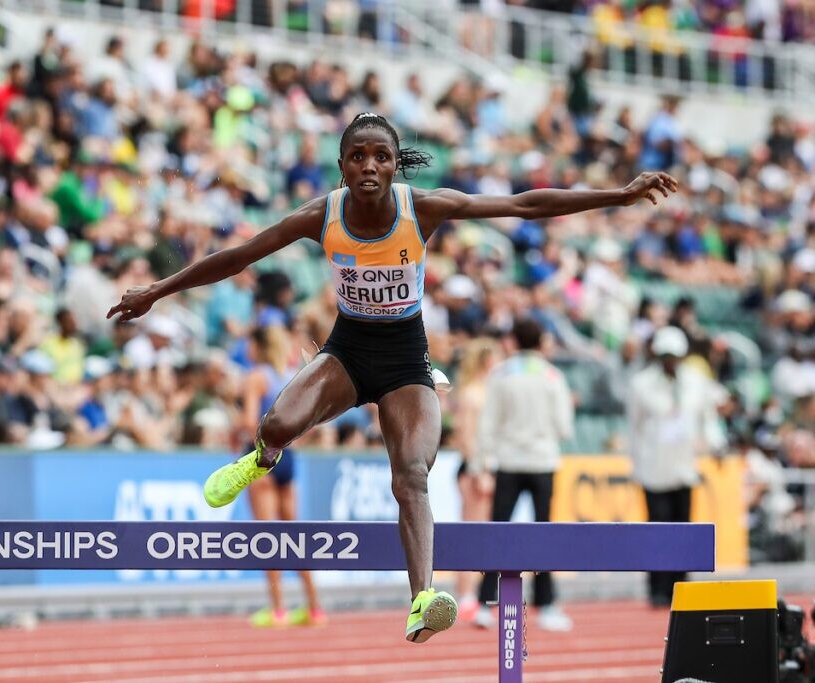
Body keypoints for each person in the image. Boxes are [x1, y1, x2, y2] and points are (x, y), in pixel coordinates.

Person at [108, 112, 678, 643]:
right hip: (348, 351)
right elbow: (239, 256)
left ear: (395, 163)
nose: (369, 166)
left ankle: (422, 599)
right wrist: (157, 291)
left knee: (411, 476)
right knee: (277, 424)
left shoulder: (422, 208)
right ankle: (261, 458)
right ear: (342, 166)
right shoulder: (320, 215)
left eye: (381, 156)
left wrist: (619, 195)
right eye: (357, 156)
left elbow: (524, 204)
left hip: (406, 360)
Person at [474, 318, 575, 632]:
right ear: (541, 342)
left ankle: (485, 603)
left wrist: (481, 464)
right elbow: (564, 427)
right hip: (542, 461)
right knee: (543, 534)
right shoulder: (552, 376)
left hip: (508, 461)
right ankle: (546, 604)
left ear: (513, 341)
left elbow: (488, 423)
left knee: (497, 532)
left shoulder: (501, 374)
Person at [628, 326, 727, 607]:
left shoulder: (696, 381)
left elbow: (707, 419)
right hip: (654, 468)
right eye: (665, 356)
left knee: (684, 530)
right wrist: (636, 465)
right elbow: (634, 428)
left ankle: (681, 587)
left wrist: (717, 444)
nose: (670, 362)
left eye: (674, 356)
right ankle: (657, 588)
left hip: (684, 466)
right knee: (657, 531)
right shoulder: (641, 384)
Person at [240, 324, 325, 628]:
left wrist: (239, 432)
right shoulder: (289, 376)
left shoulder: (256, 377)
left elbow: (249, 421)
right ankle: (314, 607)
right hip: (286, 455)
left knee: (268, 535)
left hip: (260, 457)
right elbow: (308, 421)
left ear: (258, 346)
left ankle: (278, 609)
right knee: (294, 534)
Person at [451, 337, 501, 623]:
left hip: (489, 466)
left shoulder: (491, 391)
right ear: (486, 361)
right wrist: (478, 470)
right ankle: (466, 593)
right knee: (473, 531)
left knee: (487, 533)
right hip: (474, 469)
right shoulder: (472, 393)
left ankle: (480, 591)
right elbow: (466, 437)